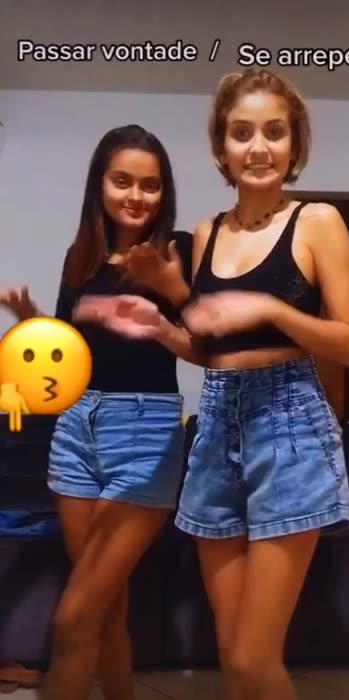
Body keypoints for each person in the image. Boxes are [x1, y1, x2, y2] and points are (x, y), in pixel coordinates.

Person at [76, 69, 349, 700]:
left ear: (295, 145)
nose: (258, 147)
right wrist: (161, 327)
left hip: (290, 427)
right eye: (242, 133)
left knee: (257, 659)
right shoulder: (207, 235)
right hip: (214, 430)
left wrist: (270, 308)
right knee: (232, 657)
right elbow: (213, 351)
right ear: (220, 149)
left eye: (274, 132)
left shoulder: (317, 221)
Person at [0, 124, 193, 700]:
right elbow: (73, 351)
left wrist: (168, 298)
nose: (136, 196)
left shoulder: (178, 252)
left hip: (145, 430)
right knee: (107, 609)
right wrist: (32, 320)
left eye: (150, 185)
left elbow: (210, 339)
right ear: (100, 185)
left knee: (73, 617)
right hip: (76, 430)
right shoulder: (79, 257)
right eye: (122, 181)